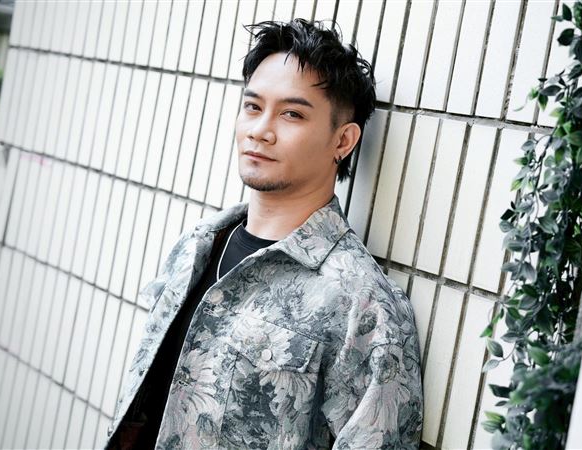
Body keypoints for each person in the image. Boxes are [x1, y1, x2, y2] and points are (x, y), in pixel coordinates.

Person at [104, 19, 423, 449]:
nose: (260, 130)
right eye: (253, 107)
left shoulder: (360, 301)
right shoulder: (198, 245)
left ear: (343, 141)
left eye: (292, 114)